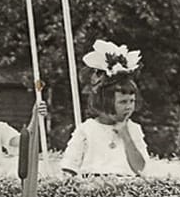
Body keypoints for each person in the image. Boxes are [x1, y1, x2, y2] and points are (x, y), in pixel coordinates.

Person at [61, 39, 149, 177]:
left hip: (126, 189)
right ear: (105, 101)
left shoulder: (134, 129)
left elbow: (140, 168)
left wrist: (126, 136)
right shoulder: (87, 129)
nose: (129, 107)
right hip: (92, 187)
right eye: (123, 102)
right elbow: (69, 167)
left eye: (131, 101)